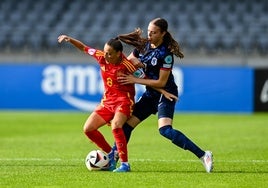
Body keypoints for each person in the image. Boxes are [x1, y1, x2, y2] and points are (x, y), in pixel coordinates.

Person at [115, 18, 213, 173]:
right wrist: (134, 64)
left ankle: (204, 155)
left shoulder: (166, 54)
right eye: (149, 31)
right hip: (150, 94)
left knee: (165, 130)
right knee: (126, 126)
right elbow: (130, 61)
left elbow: (161, 82)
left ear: (163, 33)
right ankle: (114, 158)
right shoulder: (143, 45)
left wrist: (135, 78)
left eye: (154, 33)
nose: (150, 35)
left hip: (165, 94)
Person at [58, 35, 138, 172]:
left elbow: (145, 78)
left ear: (119, 54)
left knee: (116, 126)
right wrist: (70, 40)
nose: (105, 55)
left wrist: (162, 90)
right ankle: (111, 154)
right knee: (88, 129)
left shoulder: (127, 65)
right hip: (107, 102)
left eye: (109, 53)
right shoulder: (101, 56)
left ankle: (125, 164)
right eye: (105, 51)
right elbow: (84, 48)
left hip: (124, 101)